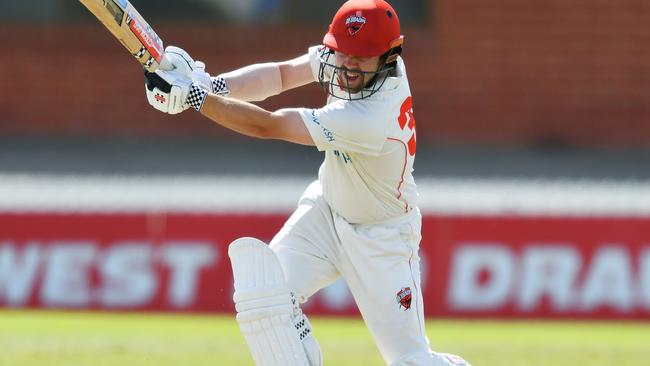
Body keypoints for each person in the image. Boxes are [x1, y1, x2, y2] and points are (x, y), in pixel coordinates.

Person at [144, 1, 472, 365]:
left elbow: (268, 125)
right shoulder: (349, 58)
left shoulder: (372, 117)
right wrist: (211, 83)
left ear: (389, 57)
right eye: (343, 53)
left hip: (381, 237)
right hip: (326, 209)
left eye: (361, 58)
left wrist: (194, 97)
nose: (347, 66)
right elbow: (281, 75)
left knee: (411, 360)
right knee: (265, 295)